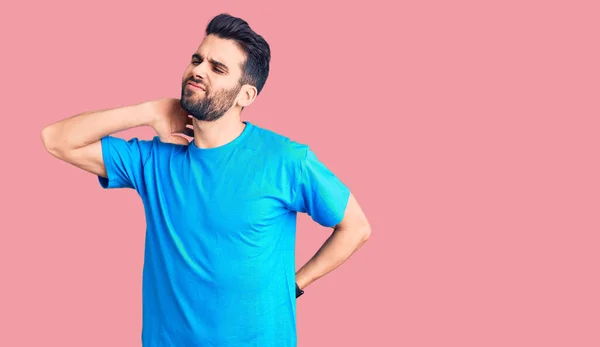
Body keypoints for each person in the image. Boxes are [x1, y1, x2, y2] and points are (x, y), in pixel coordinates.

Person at [41, 13, 371, 347]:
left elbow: (355, 227)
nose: (198, 70)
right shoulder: (154, 160)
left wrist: (295, 283)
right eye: (197, 59)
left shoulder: (286, 160)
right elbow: (56, 139)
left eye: (218, 68)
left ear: (246, 96)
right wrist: (149, 111)